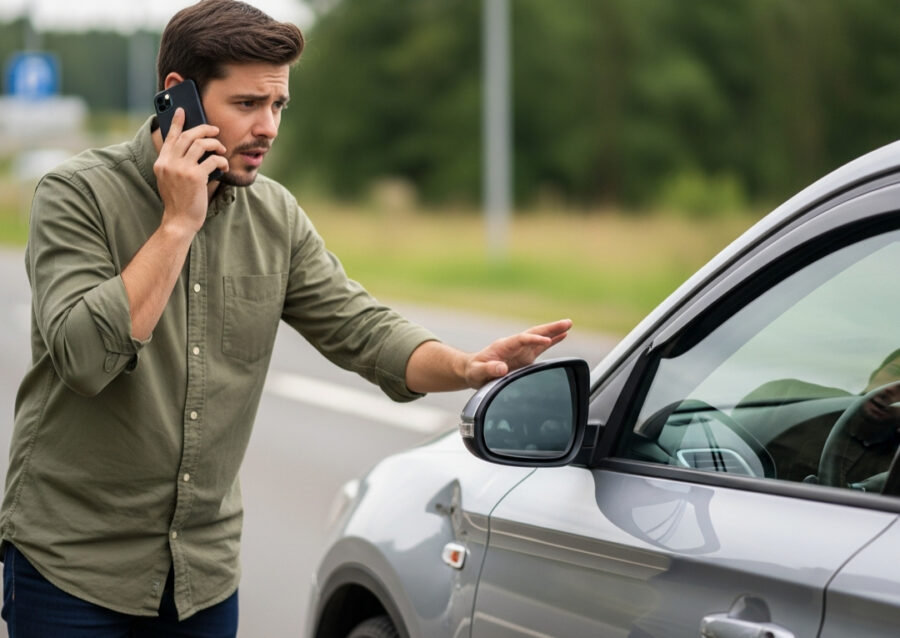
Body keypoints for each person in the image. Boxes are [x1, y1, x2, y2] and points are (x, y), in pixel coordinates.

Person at [0, 1, 571, 635]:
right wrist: (178, 223)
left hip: (202, 576)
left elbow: (364, 329)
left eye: (278, 107)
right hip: (71, 570)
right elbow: (83, 360)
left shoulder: (275, 217)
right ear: (178, 96)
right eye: (248, 104)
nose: (269, 127)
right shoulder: (75, 195)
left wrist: (466, 365)